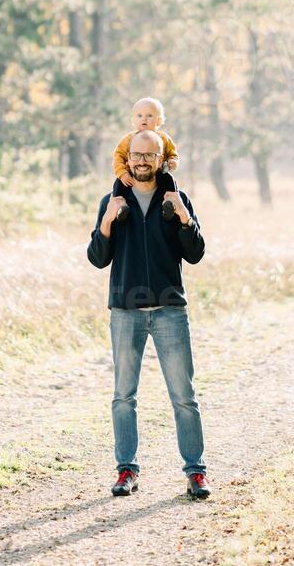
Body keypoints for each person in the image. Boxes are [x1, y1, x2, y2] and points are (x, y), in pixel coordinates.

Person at [87, 129, 210, 501]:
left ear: (161, 158)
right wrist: (107, 221)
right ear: (128, 158)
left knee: (184, 396)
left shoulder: (175, 200)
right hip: (126, 312)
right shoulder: (112, 200)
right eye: (136, 155)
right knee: (124, 396)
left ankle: (196, 472)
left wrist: (186, 218)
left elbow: (195, 253)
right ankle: (127, 469)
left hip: (170, 310)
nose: (142, 161)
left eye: (149, 155)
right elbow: (97, 257)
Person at [112, 97, 180, 222]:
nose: (144, 119)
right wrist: (122, 173)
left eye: (149, 115)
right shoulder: (129, 139)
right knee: (118, 185)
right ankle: (120, 207)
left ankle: (169, 205)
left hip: (158, 172)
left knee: (169, 180)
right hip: (132, 175)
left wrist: (172, 163)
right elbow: (118, 156)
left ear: (159, 120)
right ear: (133, 120)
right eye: (139, 115)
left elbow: (173, 154)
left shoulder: (163, 138)